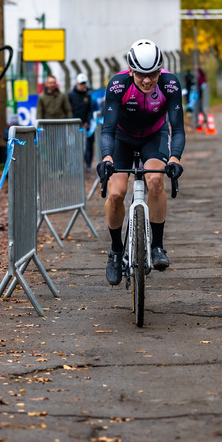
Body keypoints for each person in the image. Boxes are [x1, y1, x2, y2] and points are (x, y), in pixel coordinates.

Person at [96, 39, 185, 285]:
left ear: (160, 70)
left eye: (153, 74)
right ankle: (115, 251)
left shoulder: (170, 84)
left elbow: (177, 128)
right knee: (116, 194)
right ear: (131, 71)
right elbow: (107, 129)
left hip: (154, 137)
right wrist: (107, 156)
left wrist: (175, 158)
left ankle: (157, 246)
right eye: (142, 75)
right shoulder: (118, 85)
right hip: (121, 138)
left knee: (156, 180)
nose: (147, 80)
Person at [67, 72, 95, 169]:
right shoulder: (70, 95)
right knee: (71, 145)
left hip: (83, 125)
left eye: (84, 83)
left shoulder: (88, 95)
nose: (83, 85)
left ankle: (81, 164)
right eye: (81, 83)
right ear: (77, 84)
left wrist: (87, 121)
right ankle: (72, 164)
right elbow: (68, 109)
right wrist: (69, 123)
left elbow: (89, 110)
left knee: (83, 146)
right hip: (72, 125)